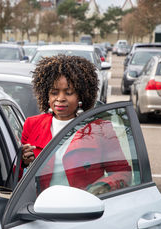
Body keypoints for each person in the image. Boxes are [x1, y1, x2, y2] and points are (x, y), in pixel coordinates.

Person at [20, 54, 131, 195]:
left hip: (84, 210)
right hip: (41, 209)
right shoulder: (32, 124)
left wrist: (101, 188)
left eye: (69, 93)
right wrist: (23, 162)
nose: (60, 98)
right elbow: (16, 178)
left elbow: (123, 173)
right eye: (54, 93)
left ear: (81, 95)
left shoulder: (101, 128)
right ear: (46, 95)